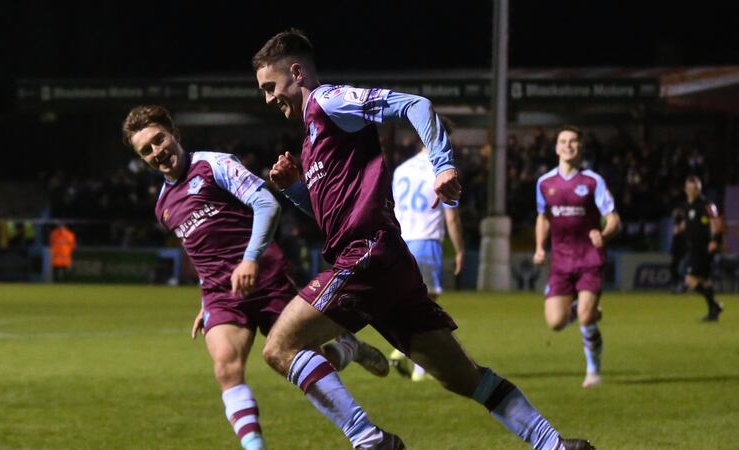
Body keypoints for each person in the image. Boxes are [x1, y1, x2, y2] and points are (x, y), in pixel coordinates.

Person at [254, 29, 594, 450]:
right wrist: (294, 190)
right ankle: (554, 445)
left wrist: (443, 164)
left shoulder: (330, 101)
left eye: (270, 87)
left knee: (280, 347)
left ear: (296, 71)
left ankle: (370, 440)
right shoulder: (310, 142)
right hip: (388, 266)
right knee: (463, 377)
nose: (268, 99)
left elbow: (415, 105)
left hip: (367, 257)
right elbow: (330, 217)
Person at [121, 105, 390, 450]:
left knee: (297, 359)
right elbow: (201, 255)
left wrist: (250, 260)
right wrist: (206, 301)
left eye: (159, 140)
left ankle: (348, 353)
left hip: (265, 278)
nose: (158, 152)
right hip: (221, 294)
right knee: (226, 369)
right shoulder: (163, 205)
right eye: (147, 150)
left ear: (174, 133)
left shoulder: (214, 165)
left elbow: (266, 203)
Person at [533, 126, 621, 389]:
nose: (568, 145)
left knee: (584, 319)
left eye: (573, 141)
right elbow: (543, 217)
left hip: (589, 259)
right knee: (556, 323)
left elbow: (614, 219)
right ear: (556, 148)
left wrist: (603, 235)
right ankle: (585, 309)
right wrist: (539, 247)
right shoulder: (545, 183)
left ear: (580, 147)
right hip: (560, 261)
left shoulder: (593, 181)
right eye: (563, 141)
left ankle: (593, 371)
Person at [388, 116, 465, 382]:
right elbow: (451, 217)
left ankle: (413, 358)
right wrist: (460, 250)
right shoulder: (442, 170)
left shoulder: (401, 170)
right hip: (426, 240)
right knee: (427, 305)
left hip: (401, 241)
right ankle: (412, 360)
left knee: (413, 303)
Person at [680, 175, 724, 321]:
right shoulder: (688, 205)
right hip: (694, 247)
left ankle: (714, 305)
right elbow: (690, 223)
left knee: (689, 280)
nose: (692, 191)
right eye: (690, 189)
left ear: (699, 189)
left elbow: (716, 222)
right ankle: (713, 312)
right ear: (686, 190)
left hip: (703, 248)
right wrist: (680, 228)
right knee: (705, 280)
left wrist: (714, 240)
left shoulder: (706, 204)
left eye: (695, 189)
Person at [670, 207, 688, 293]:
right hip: (676, 250)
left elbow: (678, 230)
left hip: (683, 250)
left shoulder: (685, 222)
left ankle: (682, 286)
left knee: (682, 269)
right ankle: (676, 285)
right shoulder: (676, 223)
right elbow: (675, 232)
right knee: (674, 268)